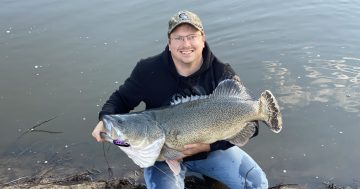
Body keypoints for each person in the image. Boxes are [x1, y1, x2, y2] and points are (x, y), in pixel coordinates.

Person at [92, 10, 268, 189]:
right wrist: (104, 118)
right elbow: (121, 98)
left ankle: (209, 176)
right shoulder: (147, 70)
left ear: (202, 38)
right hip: (160, 157)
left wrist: (207, 147)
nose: (185, 44)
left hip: (209, 153)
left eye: (192, 36)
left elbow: (252, 124)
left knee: (256, 183)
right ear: (169, 42)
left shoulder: (222, 73)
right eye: (178, 38)